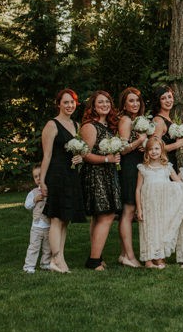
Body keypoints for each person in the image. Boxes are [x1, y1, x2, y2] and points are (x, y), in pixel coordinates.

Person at [39, 88, 85, 273]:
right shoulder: (52, 125)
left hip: (71, 175)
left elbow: (80, 151)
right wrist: (42, 181)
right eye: (65, 102)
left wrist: (80, 157)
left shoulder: (76, 125)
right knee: (57, 218)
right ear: (58, 104)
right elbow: (47, 155)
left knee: (65, 218)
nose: (69, 105)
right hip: (57, 175)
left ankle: (59, 258)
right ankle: (55, 259)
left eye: (72, 102)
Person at [79, 90, 123, 270]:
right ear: (93, 106)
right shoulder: (90, 126)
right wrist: (108, 159)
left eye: (107, 102)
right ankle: (94, 260)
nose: (104, 105)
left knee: (100, 217)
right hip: (96, 174)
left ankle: (97, 256)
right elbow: (85, 154)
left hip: (108, 173)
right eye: (100, 102)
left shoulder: (109, 126)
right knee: (106, 215)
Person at [135, 136, 183, 269]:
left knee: (161, 230)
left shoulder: (167, 167)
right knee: (148, 230)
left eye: (157, 149)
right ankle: (148, 259)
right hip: (148, 205)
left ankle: (159, 257)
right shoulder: (143, 168)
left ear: (162, 150)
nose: (154, 152)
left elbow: (179, 183)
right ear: (147, 152)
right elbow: (138, 189)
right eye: (151, 149)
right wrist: (139, 209)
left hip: (162, 205)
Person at [116, 87, 148, 269]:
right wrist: (139, 141)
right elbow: (122, 148)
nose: (135, 104)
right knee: (128, 211)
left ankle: (123, 253)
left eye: (137, 100)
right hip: (128, 167)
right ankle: (129, 255)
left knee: (128, 211)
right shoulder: (126, 120)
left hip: (137, 165)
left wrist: (143, 144)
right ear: (124, 104)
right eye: (131, 101)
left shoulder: (138, 120)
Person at [23, 165, 51, 273]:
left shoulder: (50, 190)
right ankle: (29, 266)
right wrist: (35, 200)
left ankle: (45, 263)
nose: (38, 178)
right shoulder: (33, 193)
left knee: (47, 247)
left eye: (40, 175)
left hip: (49, 225)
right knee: (34, 246)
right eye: (36, 177)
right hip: (37, 225)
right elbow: (27, 205)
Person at [152, 85, 183, 164]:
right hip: (162, 163)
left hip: (171, 161)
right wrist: (177, 144)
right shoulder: (159, 120)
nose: (168, 100)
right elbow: (154, 148)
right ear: (158, 101)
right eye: (163, 98)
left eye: (169, 97)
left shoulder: (170, 119)